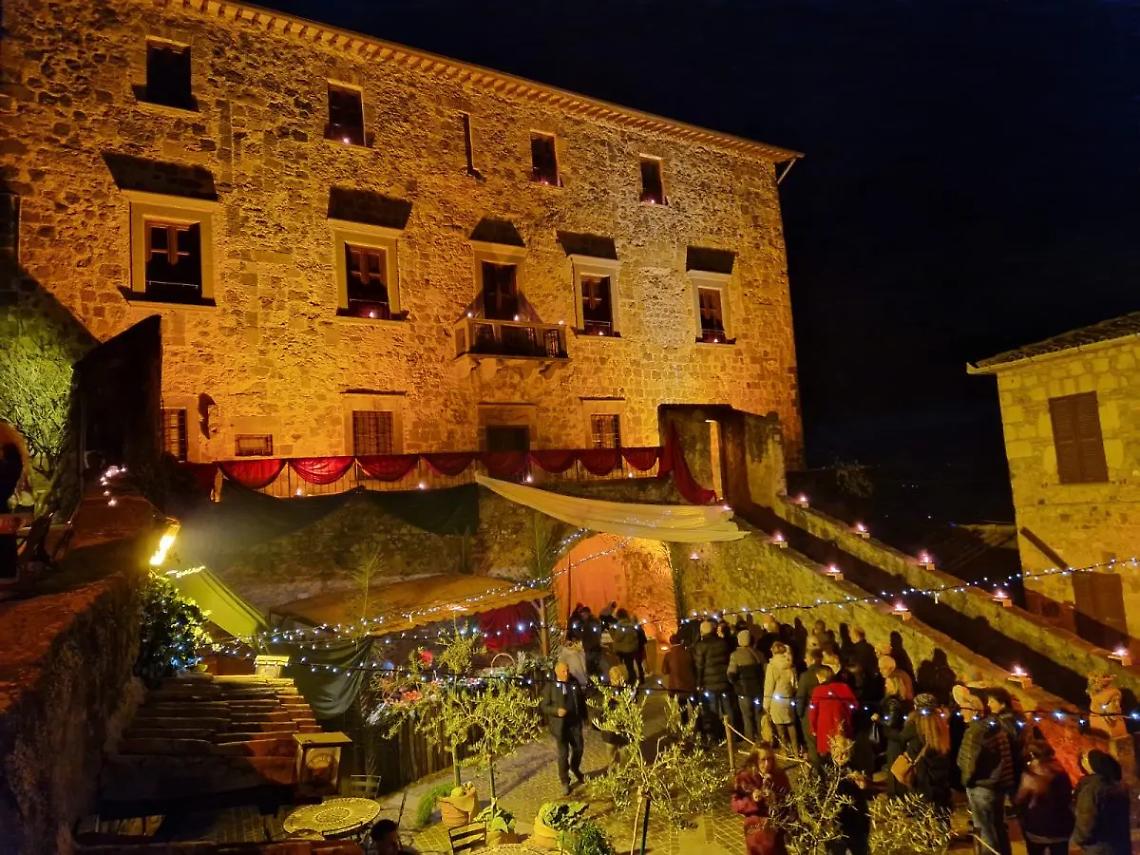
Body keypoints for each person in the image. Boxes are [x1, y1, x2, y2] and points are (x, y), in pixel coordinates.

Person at [956, 685, 1014, 855]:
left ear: (973, 711)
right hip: (996, 786)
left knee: (985, 831)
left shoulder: (975, 732)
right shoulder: (994, 726)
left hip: (981, 787)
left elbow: (968, 762)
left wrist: (966, 781)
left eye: (964, 710)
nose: (961, 713)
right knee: (998, 827)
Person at [1013, 742, 1074, 855]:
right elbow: (1067, 797)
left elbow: (1020, 799)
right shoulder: (1062, 771)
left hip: (1037, 828)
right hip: (1061, 827)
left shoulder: (1030, 774)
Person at [730, 742, 790, 855]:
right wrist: (752, 800)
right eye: (763, 760)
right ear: (755, 760)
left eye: (770, 759)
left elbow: (789, 800)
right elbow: (735, 804)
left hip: (776, 832)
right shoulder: (745, 777)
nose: (767, 764)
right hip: (756, 834)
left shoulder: (779, 775)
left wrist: (776, 798)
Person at [898, 694, 953, 811]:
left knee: (923, 807)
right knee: (941, 806)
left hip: (922, 773)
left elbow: (902, 738)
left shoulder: (914, 724)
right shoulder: (941, 723)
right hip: (940, 773)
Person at [1071, 749, 1131, 855]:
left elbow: (1086, 826)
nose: (1082, 761)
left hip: (1099, 849)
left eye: (1085, 759)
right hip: (1120, 846)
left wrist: (1079, 839)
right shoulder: (1117, 785)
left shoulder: (1091, 790)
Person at [542, 661, 587, 795]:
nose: (566, 673)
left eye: (567, 670)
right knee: (563, 754)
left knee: (579, 748)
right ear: (557, 672)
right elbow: (544, 706)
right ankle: (565, 781)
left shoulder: (573, 682)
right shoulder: (550, 686)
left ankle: (575, 767)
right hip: (560, 726)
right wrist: (556, 711)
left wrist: (585, 717)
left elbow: (581, 700)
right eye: (563, 671)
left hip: (574, 723)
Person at [825, 733, 870, 855]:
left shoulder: (853, 767)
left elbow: (862, 795)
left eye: (845, 753)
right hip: (838, 823)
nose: (841, 757)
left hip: (856, 821)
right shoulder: (827, 770)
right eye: (838, 753)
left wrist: (862, 786)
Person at [808, 667, 858, 765]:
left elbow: (813, 712)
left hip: (825, 729)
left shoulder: (818, 690)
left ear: (822, 677)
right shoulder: (844, 687)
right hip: (842, 728)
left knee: (827, 758)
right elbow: (855, 705)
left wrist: (813, 728)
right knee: (844, 756)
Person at [693, 619, 732, 741]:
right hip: (724, 680)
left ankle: (717, 735)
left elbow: (699, 666)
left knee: (713, 710)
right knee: (727, 708)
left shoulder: (701, 646)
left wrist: (698, 683)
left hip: (709, 683)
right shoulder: (723, 643)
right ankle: (731, 733)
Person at [878, 666, 914, 796]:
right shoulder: (907, 701)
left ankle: (896, 797)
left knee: (894, 768)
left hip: (895, 739)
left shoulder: (893, 701)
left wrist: (878, 720)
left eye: (888, 681)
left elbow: (891, 722)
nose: (885, 684)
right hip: (903, 738)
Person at [728, 629, 768, 740]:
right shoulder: (759, 654)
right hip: (759, 690)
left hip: (743, 691)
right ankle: (762, 737)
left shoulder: (735, 656)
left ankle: (749, 739)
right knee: (759, 715)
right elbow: (766, 672)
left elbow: (731, 674)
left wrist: (735, 684)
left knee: (747, 716)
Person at [763, 641, 799, 754]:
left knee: (780, 726)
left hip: (776, 700)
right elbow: (795, 684)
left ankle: (785, 749)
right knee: (791, 724)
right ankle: (796, 749)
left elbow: (769, 686)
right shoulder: (790, 665)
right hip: (788, 698)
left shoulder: (772, 666)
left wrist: (766, 704)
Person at [598, 665, 633, 769]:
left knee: (624, 754)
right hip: (610, 730)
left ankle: (623, 773)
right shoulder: (607, 690)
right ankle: (613, 776)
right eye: (613, 677)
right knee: (611, 755)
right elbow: (603, 709)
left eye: (618, 677)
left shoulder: (627, 689)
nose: (616, 680)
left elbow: (631, 706)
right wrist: (608, 700)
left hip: (623, 728)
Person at [796, 649, 826, 764]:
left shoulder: (806, 676)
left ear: (812, 660)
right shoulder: (827, 671)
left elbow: (801, 696)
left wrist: (800, 713)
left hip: (810, 712)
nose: (805, 660)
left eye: (806, 658)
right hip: (825, 712)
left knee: (812, 744)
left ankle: (818, 773)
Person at [662, 632, 697, 723]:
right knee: (696, 708)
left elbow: (664, 671)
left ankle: (685, 728)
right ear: (681, 641)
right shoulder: (689, 653)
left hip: (678, 687)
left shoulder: (668, 656)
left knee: (682, 710)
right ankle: (699, 727)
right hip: (690, 684)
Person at [610, 609, 640, 686]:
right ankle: (633, 680)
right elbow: (635, 636)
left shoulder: (621, 626)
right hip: (631, 649)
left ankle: (627, 681)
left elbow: (617, 638)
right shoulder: (631, 625)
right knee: (630, 666)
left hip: (623, 650)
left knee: (624, 666)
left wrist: (612, 631)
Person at [578, 606, 604, 678]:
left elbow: (593, 636)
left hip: (592, 649)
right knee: (594, 668)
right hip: (593, 648)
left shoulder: (591, 622)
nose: (582, 617)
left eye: (583, 615)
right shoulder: (591, 622)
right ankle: (597, 683)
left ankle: (594, 684)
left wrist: (588, 646)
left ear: (587, 613)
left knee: (591, 668)